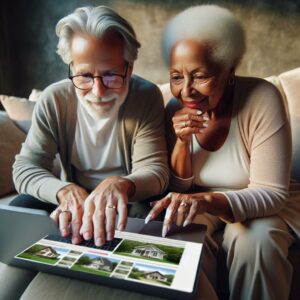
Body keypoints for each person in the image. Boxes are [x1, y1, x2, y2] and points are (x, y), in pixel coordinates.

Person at [145, 5, 300, 300]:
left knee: (254, 239)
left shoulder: (261, 97)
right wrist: (181, 142)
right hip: (201, 201)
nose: (186, 91)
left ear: (228, 70)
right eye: (176, 77)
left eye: (200, 76)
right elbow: (180, 188)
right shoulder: (173, 109)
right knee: (174, 232)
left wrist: (203, 200)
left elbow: (272, 192)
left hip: (265, 201)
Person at [11, 5, 169, 246]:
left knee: (159, 217)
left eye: (111, 75)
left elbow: (156, 171)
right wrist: (65, 191)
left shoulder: (146, 97)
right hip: (73, 199)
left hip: (127, 200)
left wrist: (121, 183)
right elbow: (25, 168)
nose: (98, 91)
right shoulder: (54, 100)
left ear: (129, 68)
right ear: (71, 67)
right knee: (21, 206)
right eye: (84, 76)